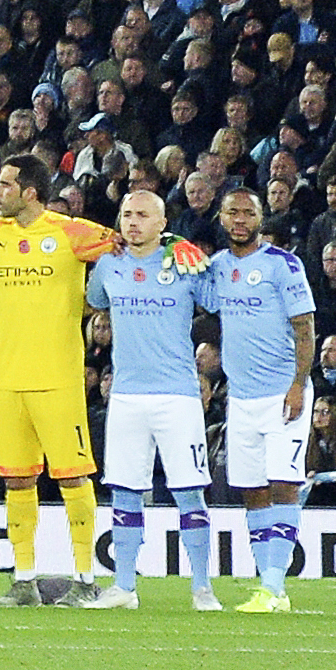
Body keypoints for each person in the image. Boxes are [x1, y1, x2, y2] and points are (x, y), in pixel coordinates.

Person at [0, 153, 118, 606]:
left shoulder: (70, 231)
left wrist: (172, 244)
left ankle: (85, 579)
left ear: (29, 191)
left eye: (4, 185)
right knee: (17, 479)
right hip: (7, 378)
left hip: (58, 377)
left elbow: (126, 242)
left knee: (73, 476)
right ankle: (24, 581)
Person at [83, 189, 218, 611]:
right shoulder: (108, 266)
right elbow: (95, 301)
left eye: (143, 214)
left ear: (163, 223)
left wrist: (195, 256)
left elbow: (214, 303)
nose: (133, 222)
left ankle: (202, 588)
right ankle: (124, 587)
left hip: (177, 395)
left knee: (189, 490)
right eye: (127, 214)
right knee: (124, 489)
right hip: (125, 395)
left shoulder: (182, 262)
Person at [204, 187, 318, 612]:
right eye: (232, 212)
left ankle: (273, 586)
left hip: (282, 394)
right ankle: (268, 585)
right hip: (242, 398)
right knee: (251, 489)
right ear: (220, 217)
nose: (239, 220)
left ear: (260, 218)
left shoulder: (283, 265)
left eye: (248, 213)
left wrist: (297, 383)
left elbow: (305, 328)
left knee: (283, 484)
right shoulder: (216, 268)